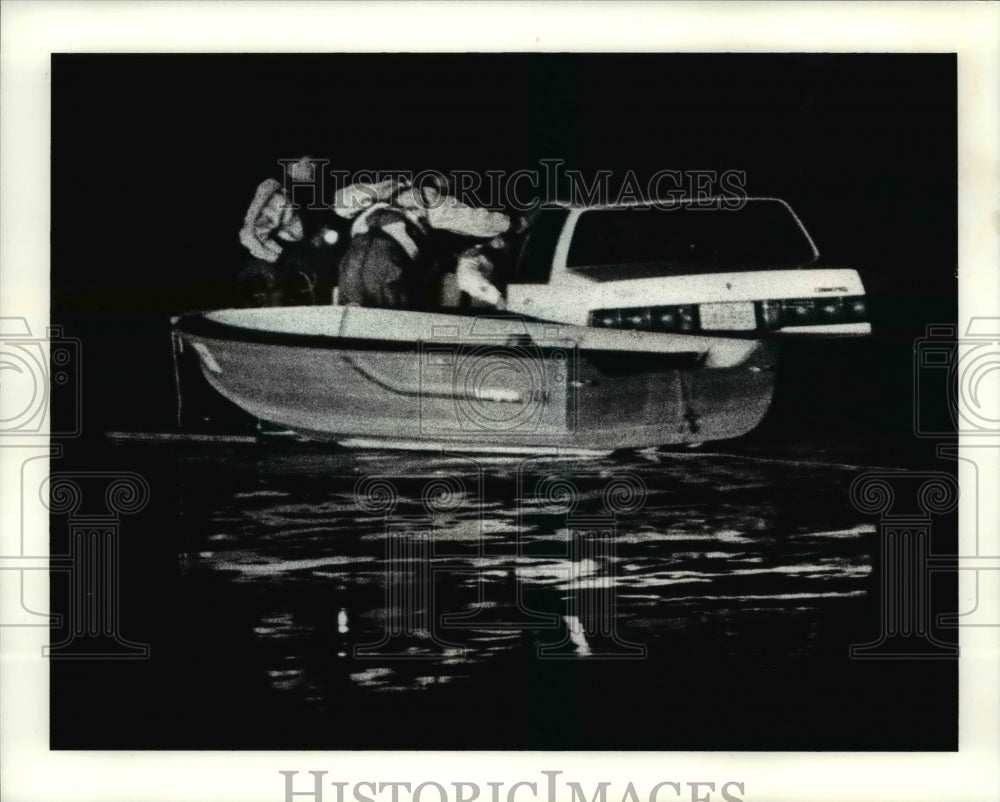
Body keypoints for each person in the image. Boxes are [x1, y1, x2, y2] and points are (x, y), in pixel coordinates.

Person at [336, 176, 511, 310]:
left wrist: (387, 187)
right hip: (388, 262)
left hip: (350, 260)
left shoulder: (382, 195)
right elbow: (474, 219)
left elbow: (340, 205)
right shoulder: (428, 197)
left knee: (351, 320)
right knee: (388, 324)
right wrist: (509, 223)